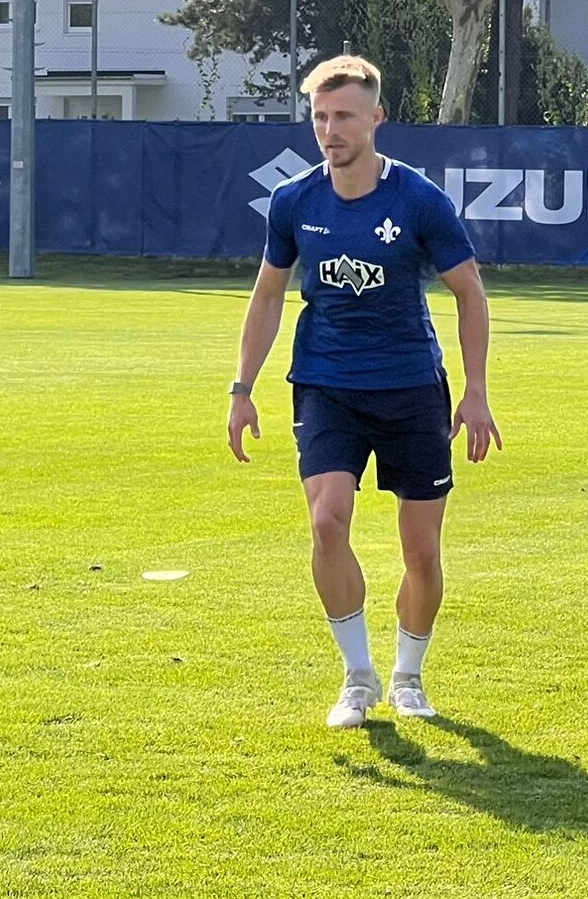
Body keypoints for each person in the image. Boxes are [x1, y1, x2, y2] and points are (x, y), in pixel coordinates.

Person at [228, 55, 502, 729]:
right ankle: (358, 676)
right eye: (320, 117)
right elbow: (267, 295)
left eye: (343, 115)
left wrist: (475, 391)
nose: (329, 129)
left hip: (411, 386)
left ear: (376, 118)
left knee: (422, 551)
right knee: (326, 521)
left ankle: (409, 675)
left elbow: (470, 293)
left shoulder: (418, 200)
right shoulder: (295, 201)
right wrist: (241, 387)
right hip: (326, 383)